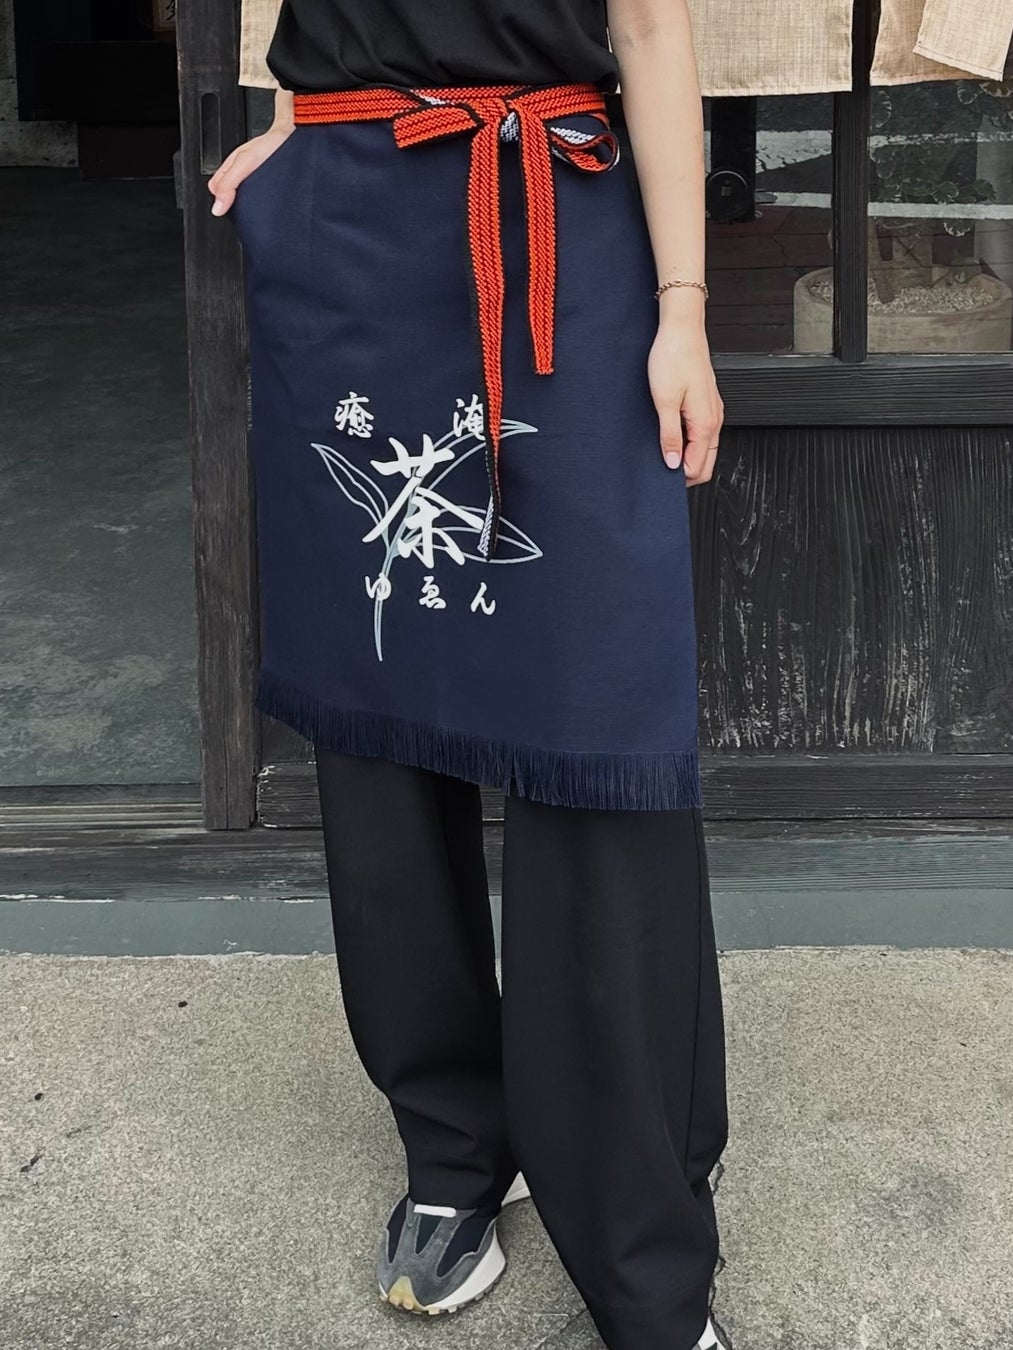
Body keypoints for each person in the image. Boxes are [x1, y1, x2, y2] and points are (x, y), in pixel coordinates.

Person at [209, 1, 728, 1346]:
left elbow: (649, 24)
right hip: (344, 234)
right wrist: (292, 125)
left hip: (559, 220)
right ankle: (450, 1142)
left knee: (595, 724)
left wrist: (682, 309)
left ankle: (639, 1228)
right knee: (378, 707)